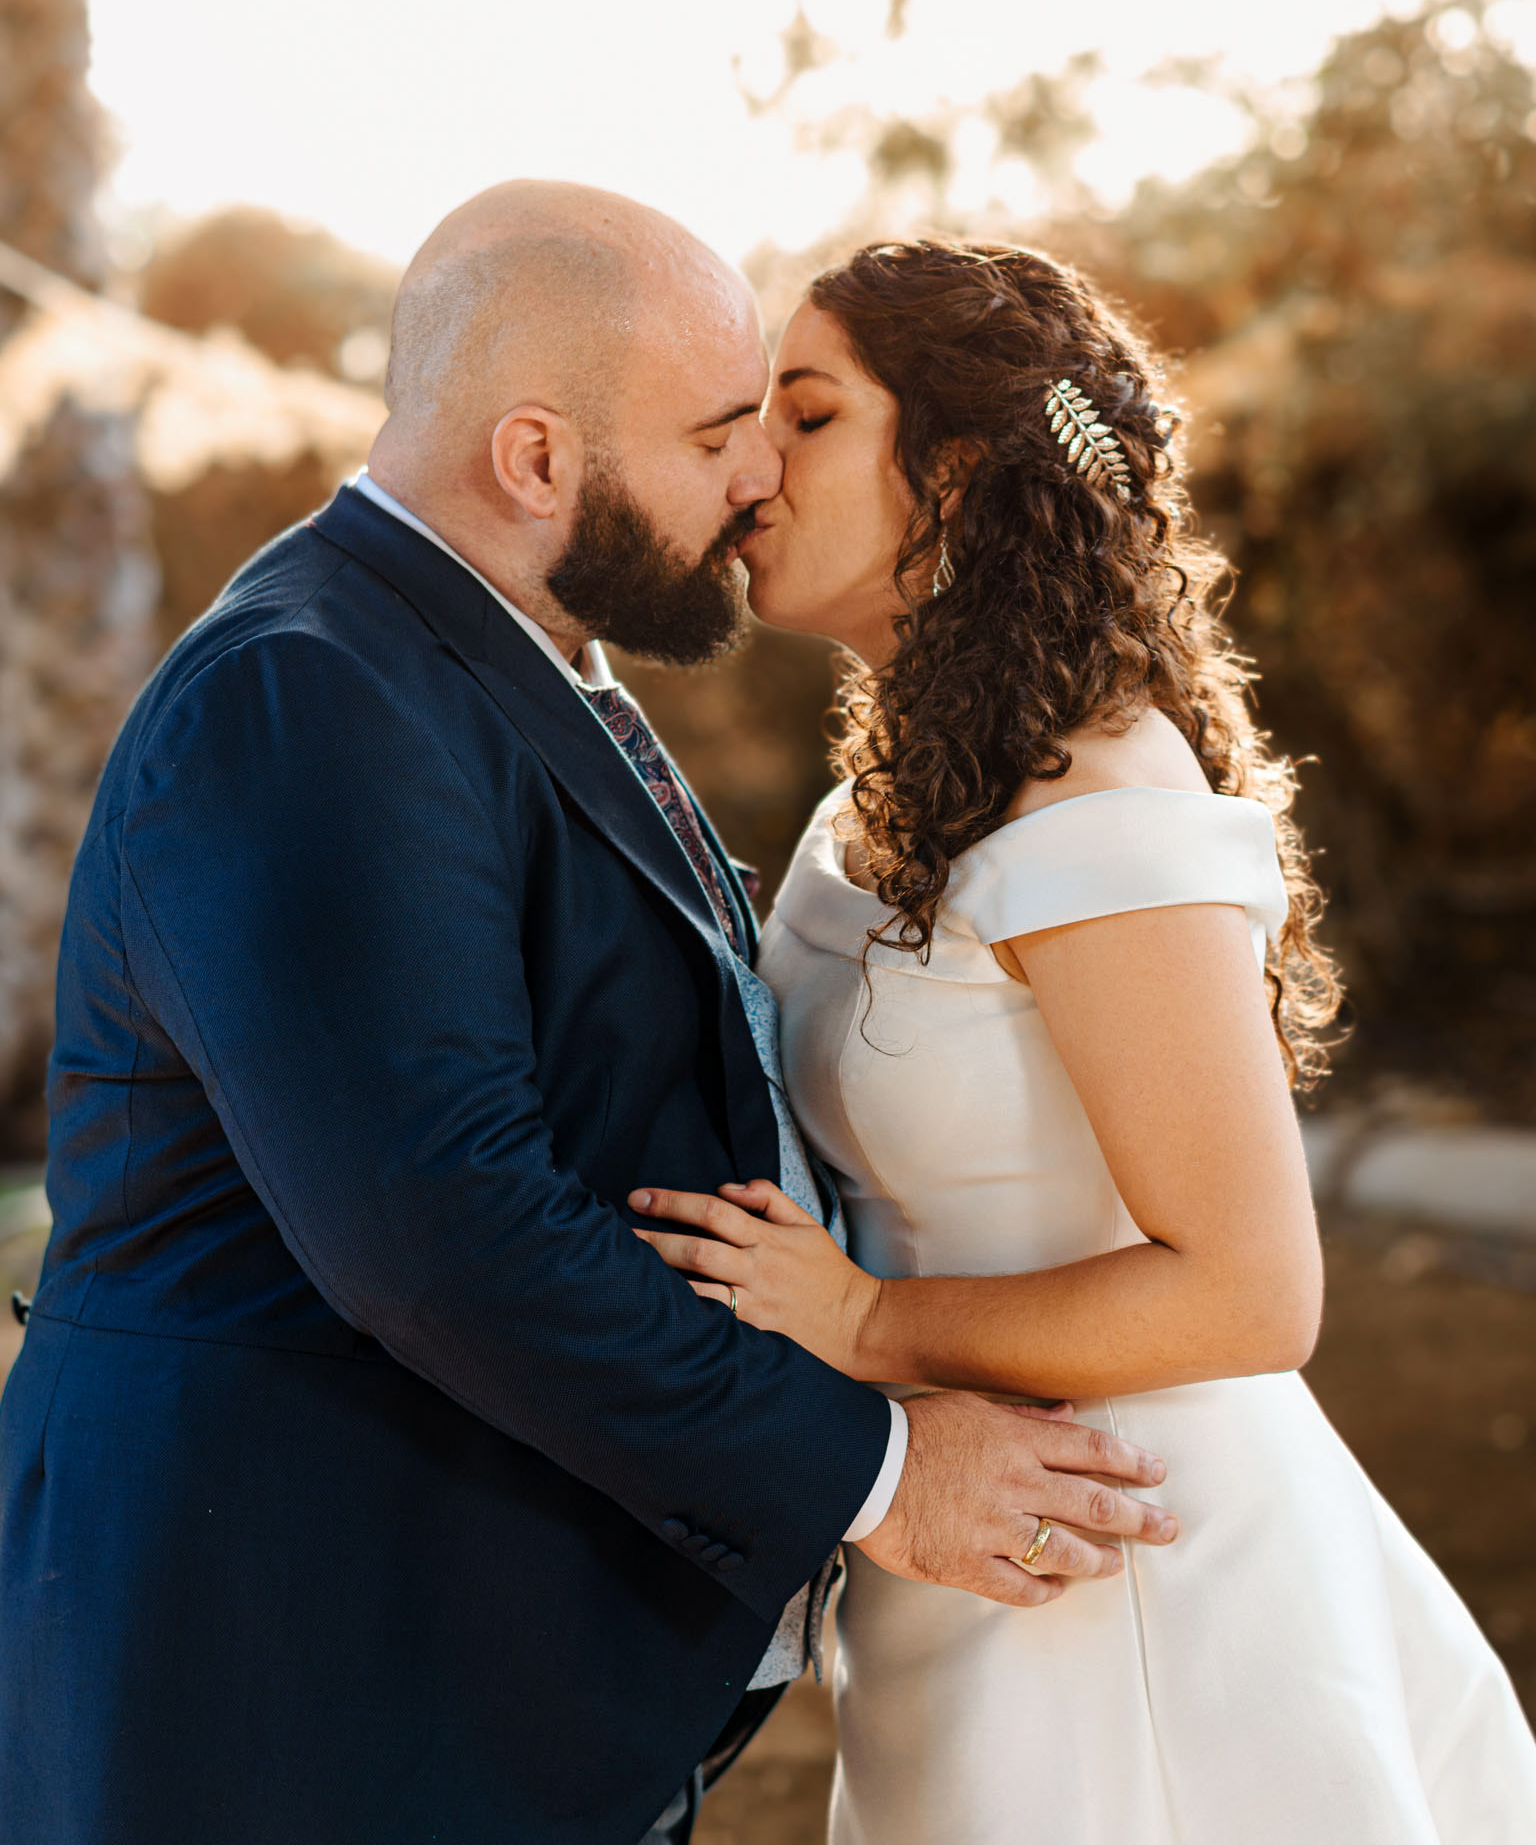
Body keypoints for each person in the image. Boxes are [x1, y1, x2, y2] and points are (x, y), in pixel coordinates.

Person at [0, 189, 1180, 1845]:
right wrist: (884, 1475)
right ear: (537, 460)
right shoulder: (310, 689)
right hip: (292, 1685)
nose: (760, 473)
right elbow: (443, 1233)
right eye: (718, 436)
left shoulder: (501, 659)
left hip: (459, 1671)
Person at [631, 238, 1536, 1843]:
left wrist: (863, 1324)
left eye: (813, 415)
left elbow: (1254, 1289)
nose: (755, 466)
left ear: (963, 475)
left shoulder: (1096, 799)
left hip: (1137, 1588)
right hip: (968, 1563)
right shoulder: (895, 792)